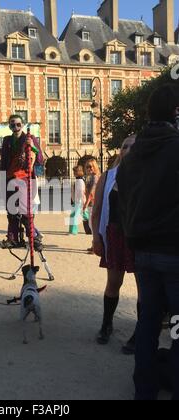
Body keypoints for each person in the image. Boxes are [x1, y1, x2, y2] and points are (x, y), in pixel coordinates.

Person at [117, 84, 179, 400]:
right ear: (175, 114)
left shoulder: (130, 157)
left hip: (143, 253)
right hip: (174, 252)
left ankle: (145, 390)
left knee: (148, 324)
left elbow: (124, 201)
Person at [92, 136, 139, 353]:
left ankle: (141, 330)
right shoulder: (108, 176)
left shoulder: (146, 175)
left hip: (139, 237)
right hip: (115, 233)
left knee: (145, 288)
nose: (128, 149)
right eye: (124, 145)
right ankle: (106, 324)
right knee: (113, 283)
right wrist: (96, 237)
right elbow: (98, 208)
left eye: (133, 146)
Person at [0, 115, 44, 251]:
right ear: (9, 126)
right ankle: (13, 238)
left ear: (22, 125)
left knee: (25, 211)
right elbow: (3, 161)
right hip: (10, 177)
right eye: (12, 125)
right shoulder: (7, 140)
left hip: (24, 178)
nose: (16, 127)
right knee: (11, 210)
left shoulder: (30, 138)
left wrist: (33, 148)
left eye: (18, 124)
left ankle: (34, 237)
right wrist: (2, 180)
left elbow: (40, 159)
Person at [83, 158, 101, 252]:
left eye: (91, 166)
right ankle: (94, 245)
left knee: (93, 225)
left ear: (94, 167)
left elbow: (91, 192)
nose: (89, 168)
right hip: (92, 203)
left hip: (93, 203)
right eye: (87, 166)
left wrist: (85, 204)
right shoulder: (92, 176)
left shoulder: (95, 177)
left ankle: (95, 246)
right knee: (91, 225)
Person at [69, 165, 85, 235]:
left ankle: (73, 231)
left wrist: (81, 202)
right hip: (76, 201)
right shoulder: (78, 180)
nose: (74, 173)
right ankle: (90, 229)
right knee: (84, 215)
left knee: (74, 216)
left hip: (79, 201)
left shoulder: (80, 181)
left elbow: (81, 192)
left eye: (75, 171)